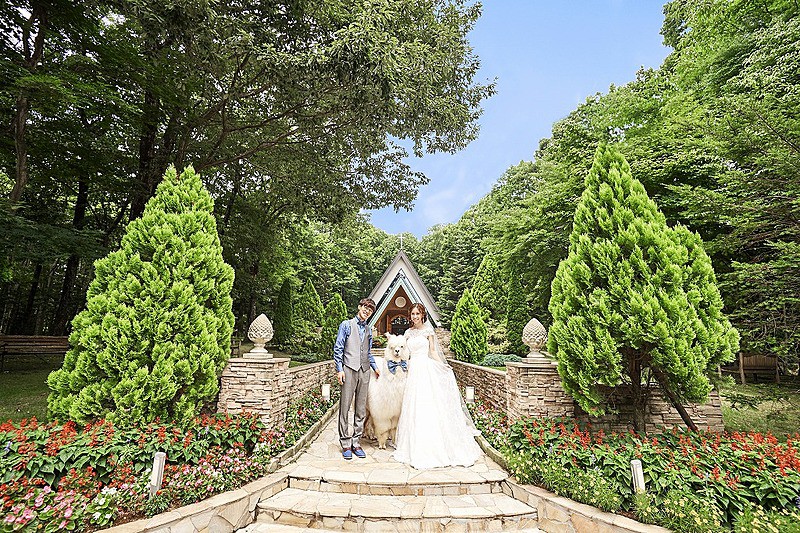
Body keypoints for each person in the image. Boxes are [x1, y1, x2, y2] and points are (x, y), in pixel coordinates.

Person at [392, 303, 481, 469]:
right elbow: (404, 353)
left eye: (417, 313)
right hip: (413, 370)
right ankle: (413, 444)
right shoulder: (407, 333)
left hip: (425, 369)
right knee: (414, 405)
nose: (415, 316)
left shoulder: (428, 331)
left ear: (422, 315)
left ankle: (433, 446)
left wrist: (443, 365)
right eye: (413, 314)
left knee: (428, 404)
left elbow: (432, 352)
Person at [333, 297, 380, 460]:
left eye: (370, 309)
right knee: (345, 407)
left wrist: (375, 367)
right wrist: (339, 369)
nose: (367, 311)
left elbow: (368, 352)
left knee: (360, 408)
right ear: (359, 307)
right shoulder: (346, 325)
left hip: (364, 371)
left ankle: (356, 442)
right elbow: (338, 349)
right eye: (365, 307)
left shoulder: (368, 330)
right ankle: (345, 443)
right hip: (348, 369)